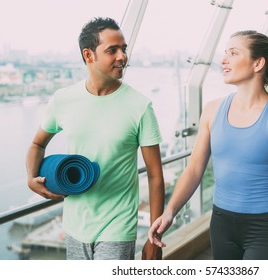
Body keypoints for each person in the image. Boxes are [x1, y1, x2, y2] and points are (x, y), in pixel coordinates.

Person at [148, 30, 268, 260]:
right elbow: (194, 169)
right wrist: (169, 212)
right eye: (225, 53)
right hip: (221, 224)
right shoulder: (212, 110)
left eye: (233, 53)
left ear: (258, 64)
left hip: (264, 229)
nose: (223, 60)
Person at [26, 17, 165, 260]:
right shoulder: (63, 99)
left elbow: (155, 176)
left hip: (117, 226)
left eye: (124, 49)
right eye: (112, 50)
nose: (122, 56)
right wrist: (31, 178)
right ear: (89, 55)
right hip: (74, 226)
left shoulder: (141, 106)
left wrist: (154, 237)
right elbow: (37, 143)